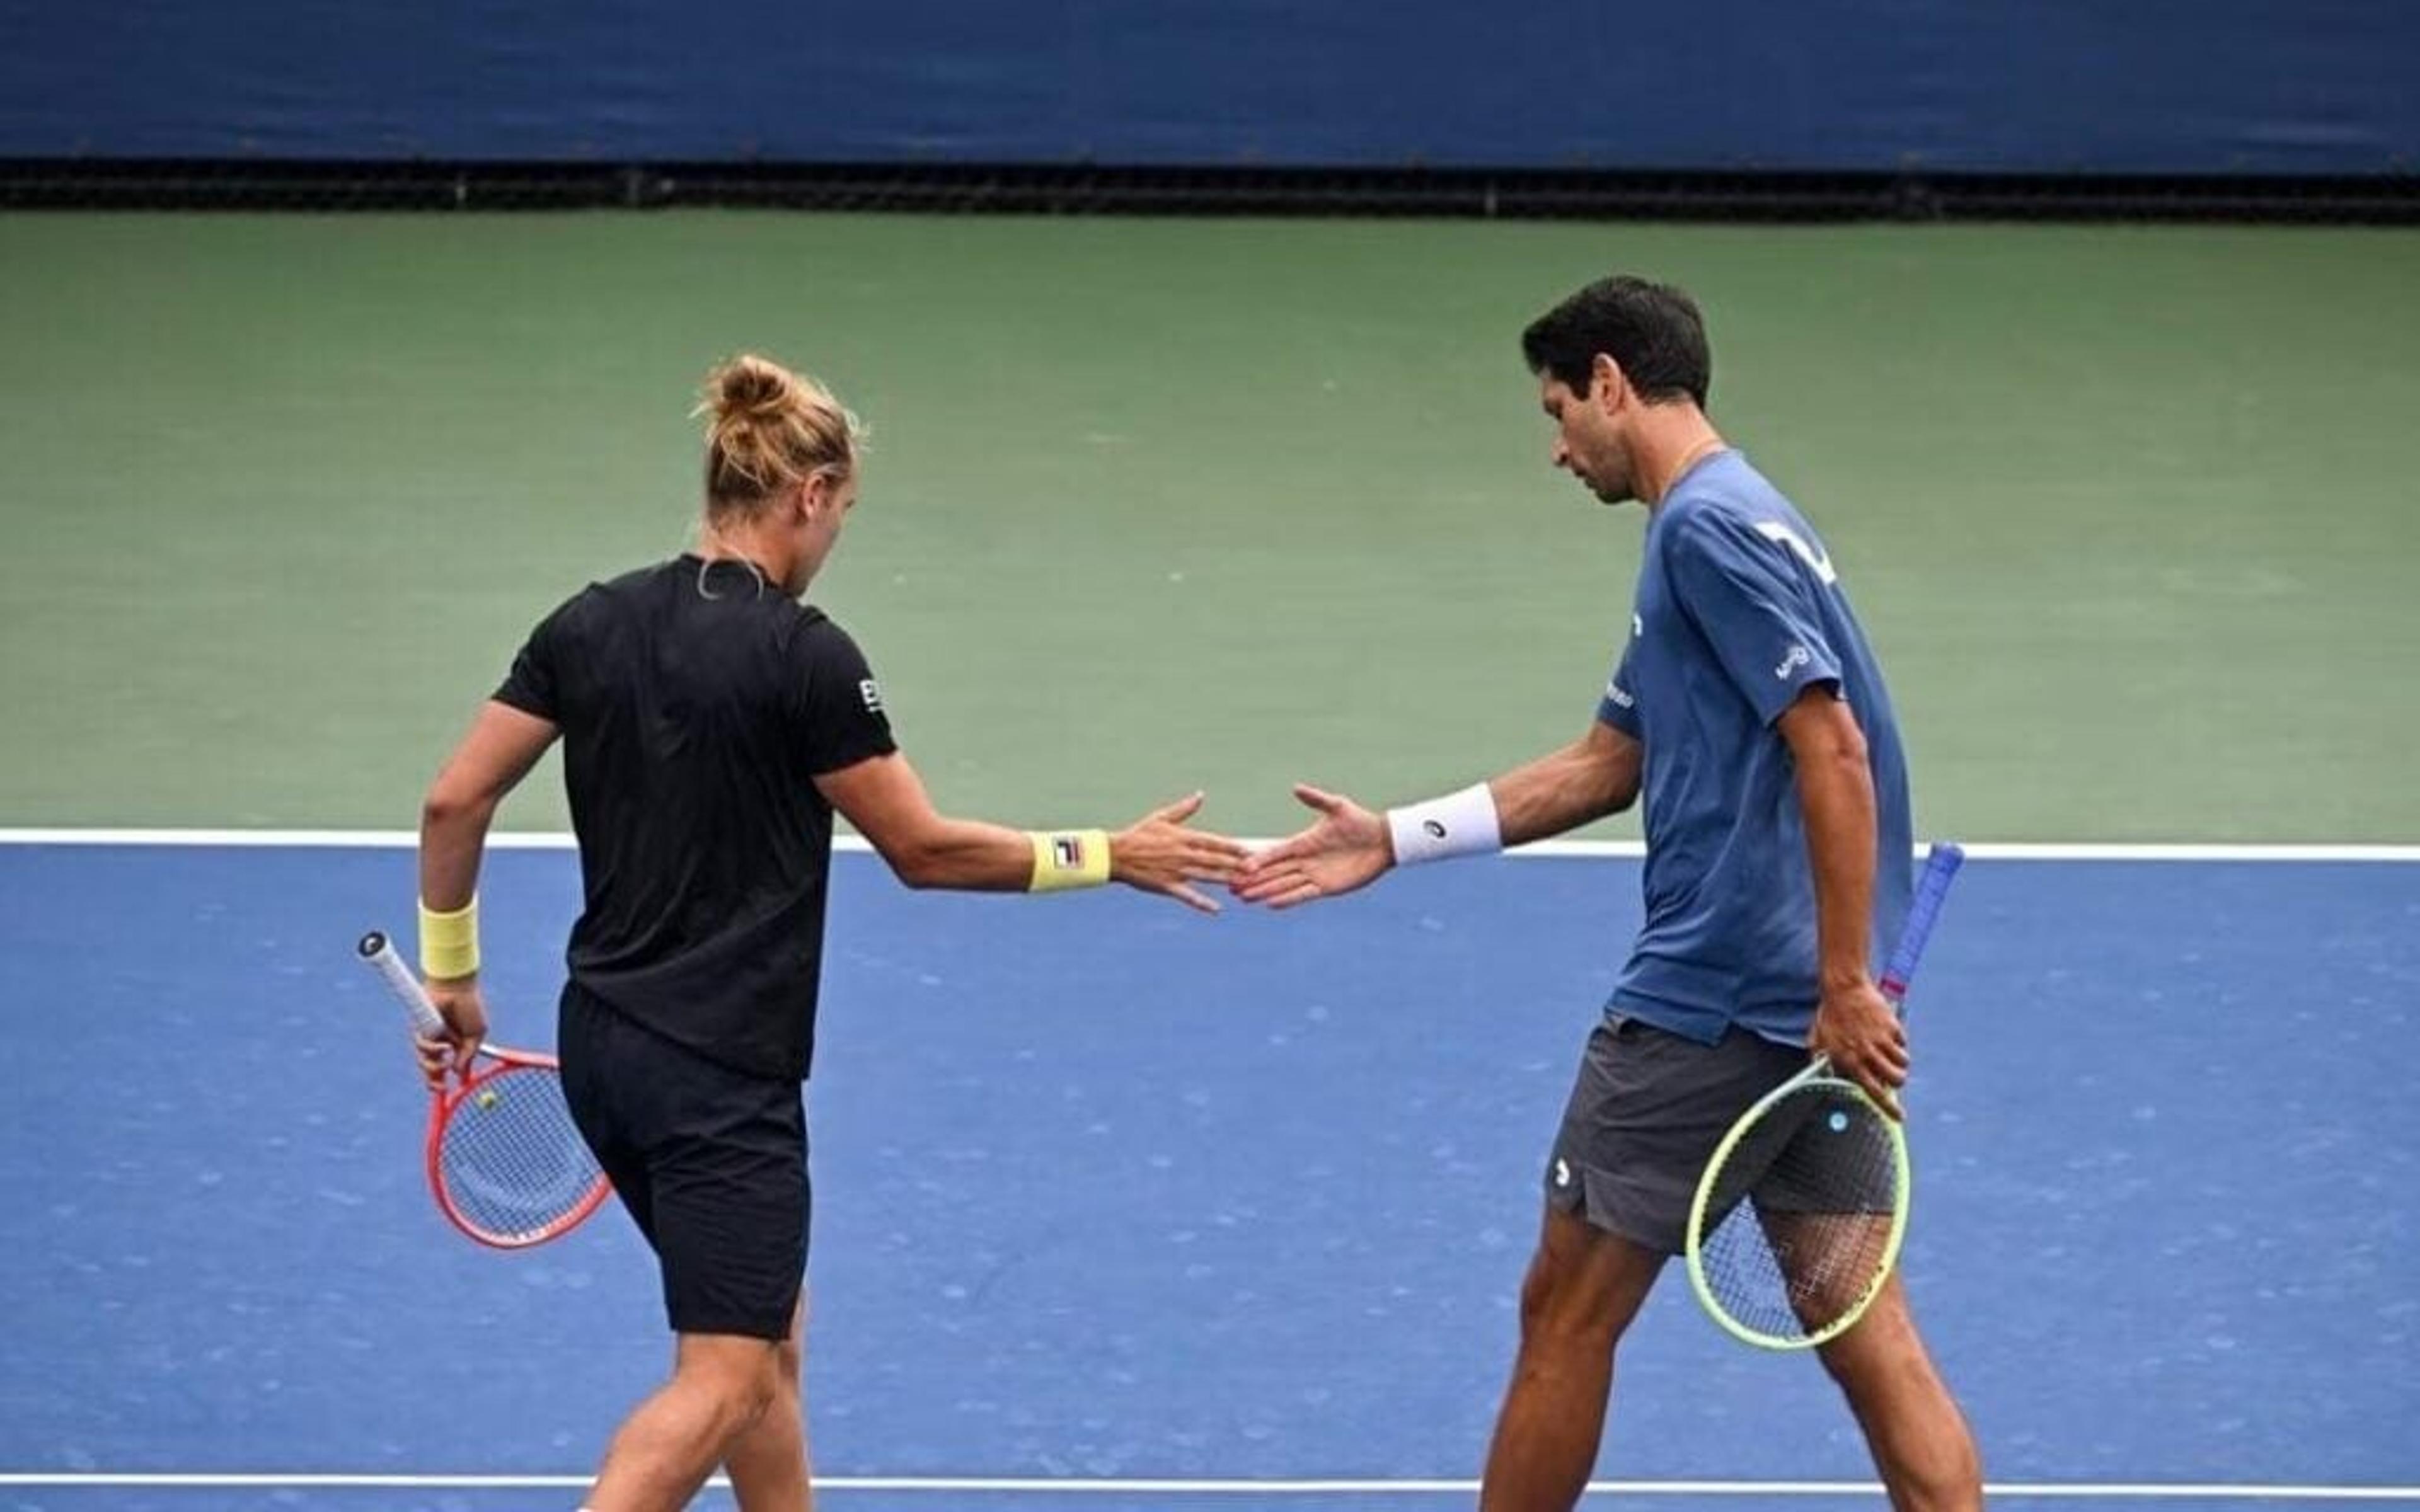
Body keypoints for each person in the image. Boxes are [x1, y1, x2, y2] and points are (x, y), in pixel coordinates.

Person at [410, 353, 1245, 1512]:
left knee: (766, 1344)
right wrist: (1113, 854)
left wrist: (453, 974)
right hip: (719, 1081)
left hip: (603, 1050)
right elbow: (926, 850)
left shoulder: (589, 623)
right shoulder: (807, 657)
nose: (838, 536)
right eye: (843, 512)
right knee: (722, 1377)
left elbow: (454, 800)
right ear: (808, 495)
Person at [1233, 277, 1982, 1512]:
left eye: (1559, 410)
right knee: (1861, 1326)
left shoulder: (1706, 532)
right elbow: (1606, 763)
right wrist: (1395, 837)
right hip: (1794, 1007)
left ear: (1612, 385)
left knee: (1563, 1314)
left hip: (1715, 1000)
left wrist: (1844, 981)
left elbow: (1832, 745)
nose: (1556, 448)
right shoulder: (1732, 523)